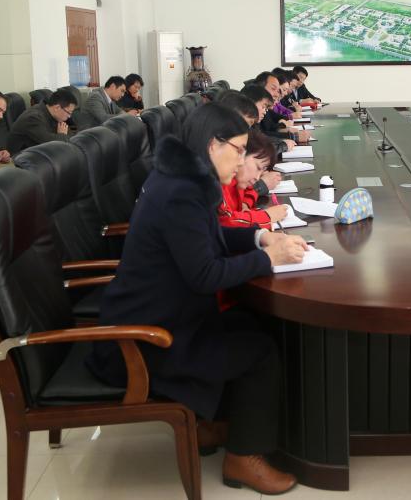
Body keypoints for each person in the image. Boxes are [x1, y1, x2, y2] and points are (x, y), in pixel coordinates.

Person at [89, 104, 307, 494]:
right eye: (238, 150)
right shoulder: (182, 193)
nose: (241, 161)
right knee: (259, 351)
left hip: (161, 317)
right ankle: (244, 459)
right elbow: (204, 274)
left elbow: (209, 241)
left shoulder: (182, 179)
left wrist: (260, 236)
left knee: (250, 322)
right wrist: (268, 259)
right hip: (145, 340)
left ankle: (211, 425)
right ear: (212, 145)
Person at [218, 128, 288, 229]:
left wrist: (245, 204)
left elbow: (250, 190)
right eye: (258, 168)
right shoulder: (219, 181)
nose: (257, 178)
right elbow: (225, 221)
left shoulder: (238, 181)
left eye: (262, 171)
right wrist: (267, 216)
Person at [6, 88, 78, 154]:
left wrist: (63, 136)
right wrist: (62, 135)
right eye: (69, 112)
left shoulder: (54, 115)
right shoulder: (33, 118)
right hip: (18, 158)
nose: (69, 116)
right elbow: (51, 144)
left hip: (36, 154)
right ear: (57, 108)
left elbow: (71, 135)